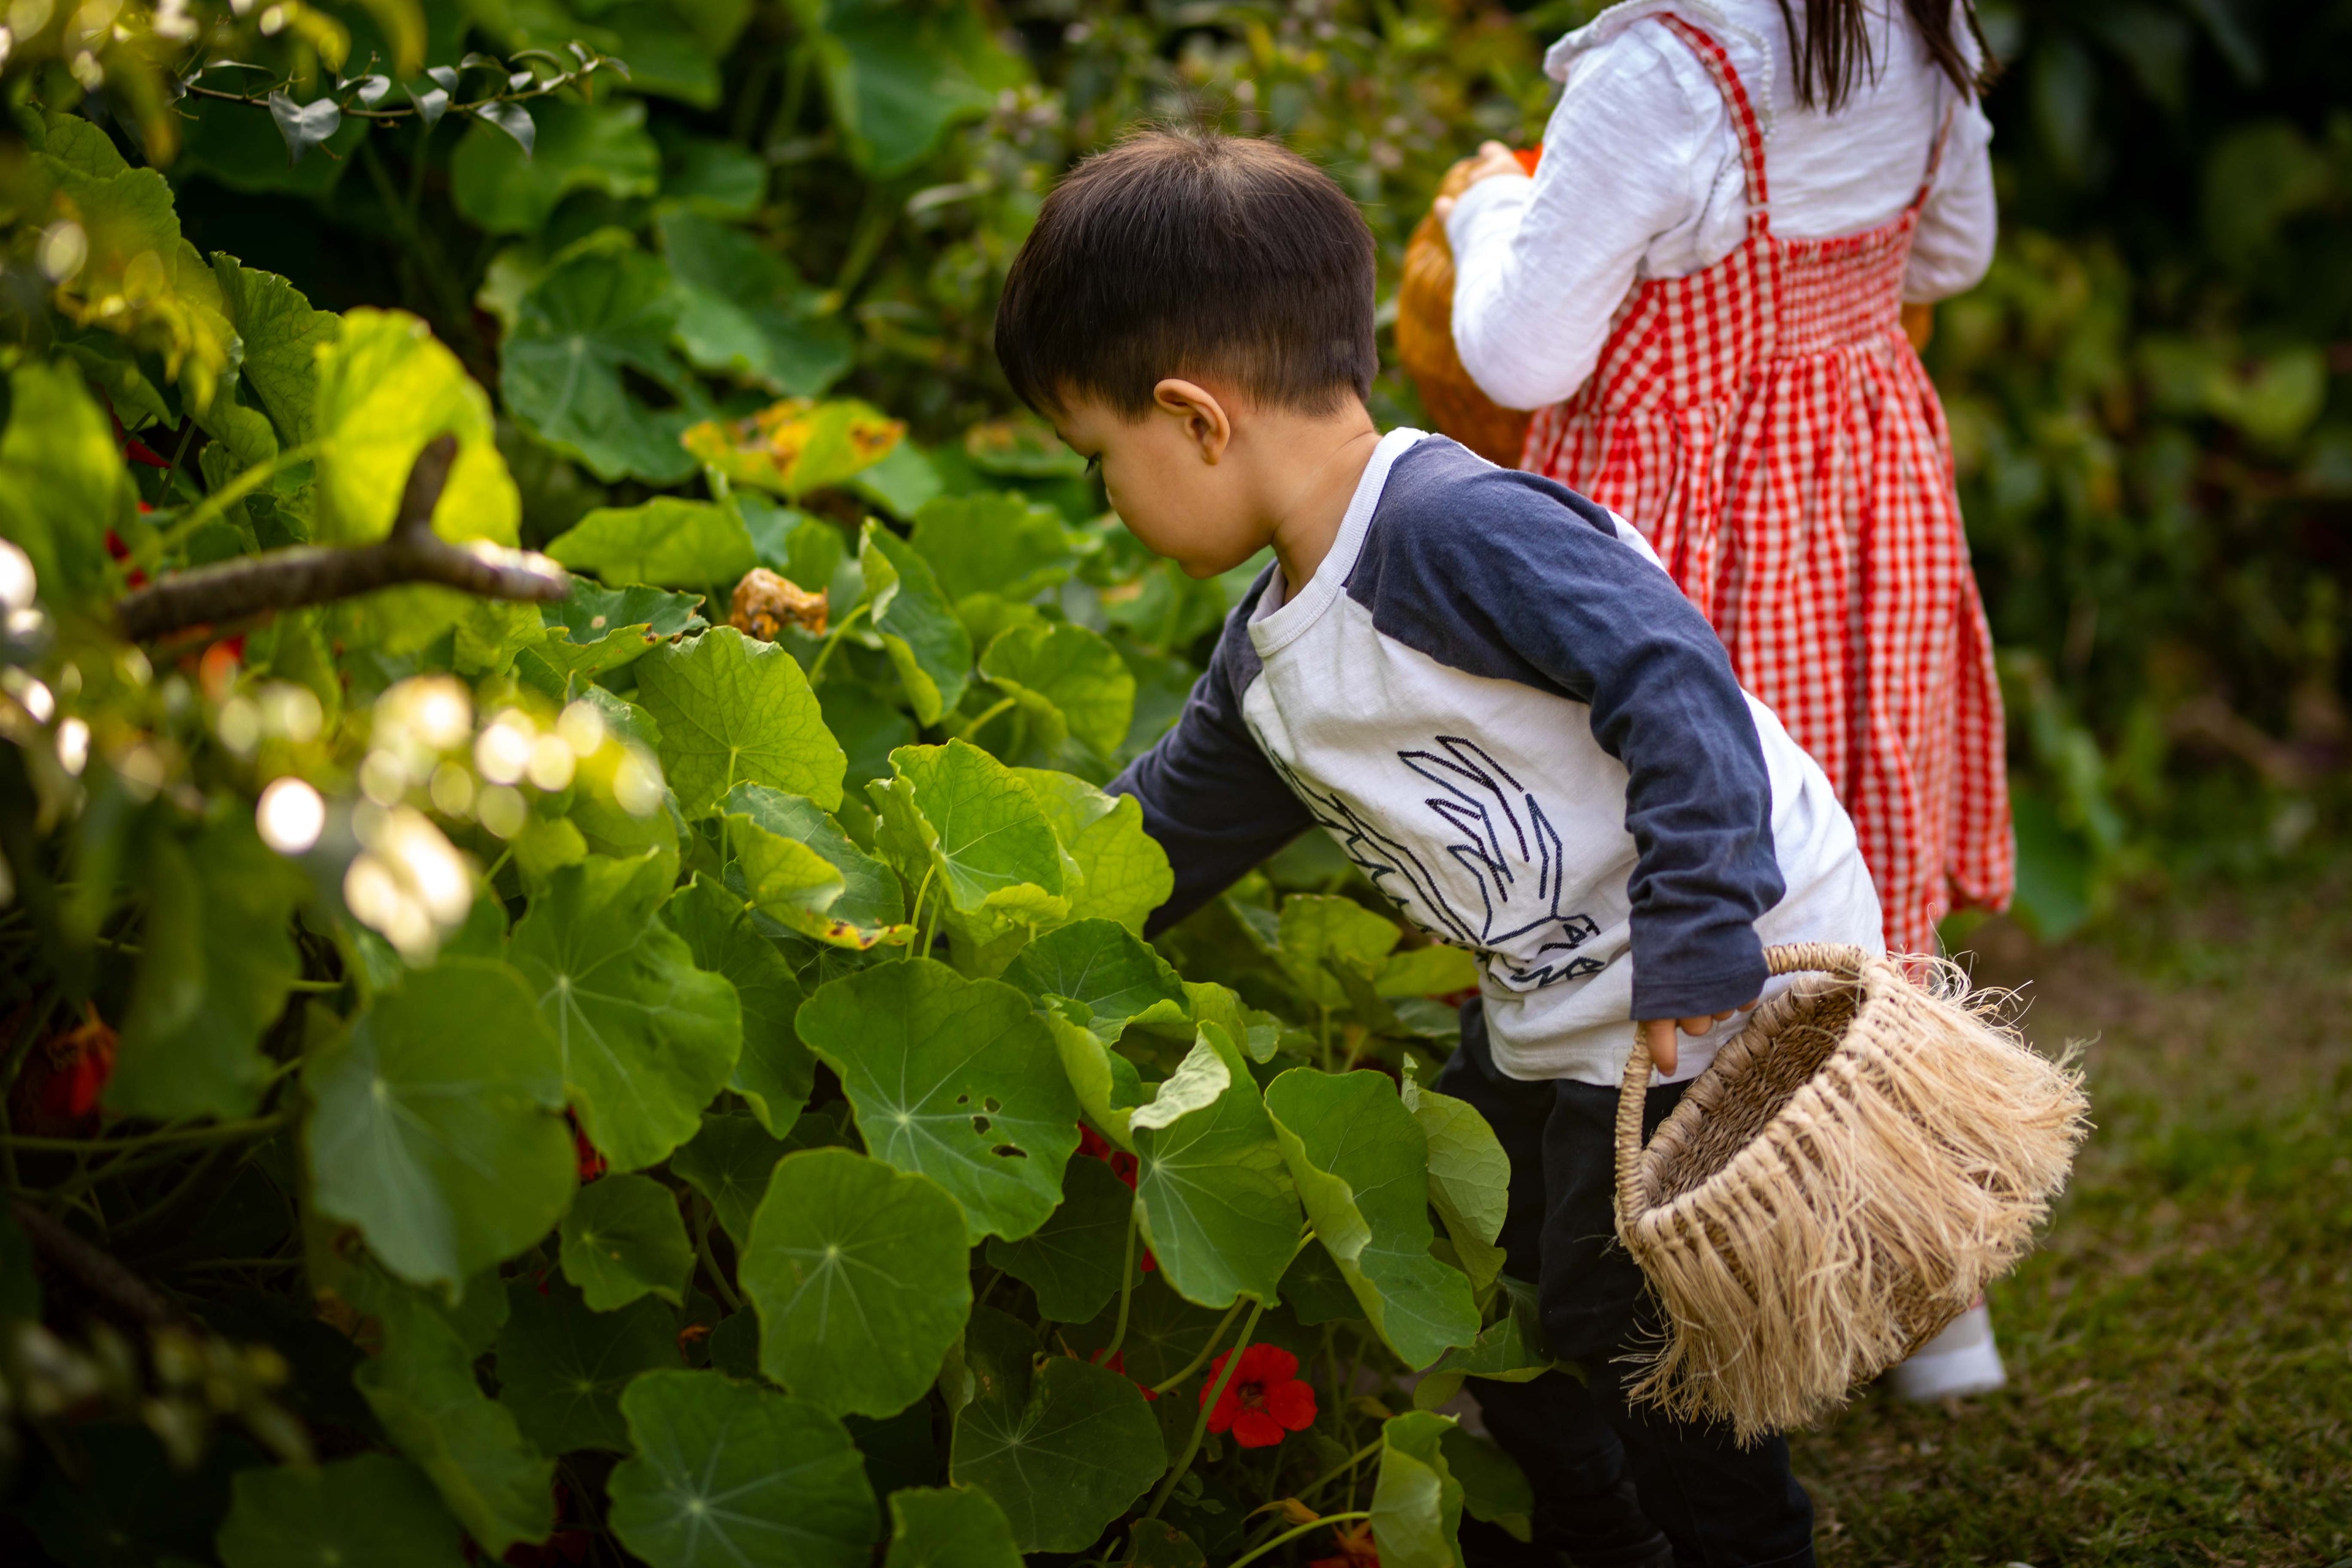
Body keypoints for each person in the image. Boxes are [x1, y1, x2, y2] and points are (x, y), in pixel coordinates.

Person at [997, 127, 1881, 1568]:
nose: (1111, 496)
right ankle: (1598, 1535)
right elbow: (1158, 833)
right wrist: (994, 917)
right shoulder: (1271, 666)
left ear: (1195, 417)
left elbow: (1676, 677)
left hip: (1721, 953)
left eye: (1103, 459)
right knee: (1482, 1291)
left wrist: (1705, 923)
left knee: (1644, 1339)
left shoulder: (1453, 526)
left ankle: (1738, 1546)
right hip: (1569, 1005)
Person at [1440, 0, 2015, 1403]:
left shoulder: (1663, 70)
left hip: (1680, 550)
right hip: (1856, 495)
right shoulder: (1915, 24)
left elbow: (1520, 359)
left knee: (1677, 886)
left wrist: (1490, 209)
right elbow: (1956, 250)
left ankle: (1679, 1286)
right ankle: (1938, 1312)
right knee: (1857, 872)